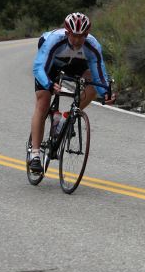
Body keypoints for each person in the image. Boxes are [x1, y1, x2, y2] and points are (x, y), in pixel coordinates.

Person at [29, 12, 114, 173]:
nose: (76, 40)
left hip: (75, 63)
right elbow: (39, 68)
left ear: (86, 35)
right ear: (67, 32)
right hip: (51, 63)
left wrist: (106, 93)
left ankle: (67, 117)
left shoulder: (92, 46)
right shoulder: (54, 40)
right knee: (43, 101)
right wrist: (48, 83)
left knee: (93, 84)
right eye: (73, 36)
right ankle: (35, 154)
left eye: (81, 37)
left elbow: (99, 74)